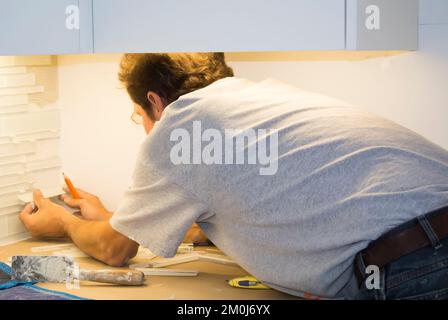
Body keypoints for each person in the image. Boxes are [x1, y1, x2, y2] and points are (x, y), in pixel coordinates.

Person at [20, 53, 448, 300]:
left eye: (139, 118)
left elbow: (115, 251)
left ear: (154, 101)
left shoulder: (181, 124)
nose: (146, 129)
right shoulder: (257, 98)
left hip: (420, 263)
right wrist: (112, 214)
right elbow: (229, 218)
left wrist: (64, 222)